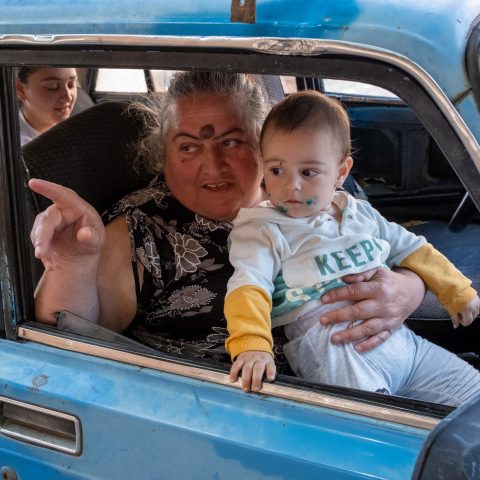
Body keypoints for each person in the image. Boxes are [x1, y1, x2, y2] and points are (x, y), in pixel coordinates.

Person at [29, 71, 426, 370]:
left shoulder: (299, 181)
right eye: (188, 147)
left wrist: (409, 290)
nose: (212, 165)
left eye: (230, 142)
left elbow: (397, 245)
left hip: (388, 364)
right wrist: (72, 265)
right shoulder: (143, 231)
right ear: (162, 154)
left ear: (261, 142)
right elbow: (70, 334)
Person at [225, 90, 480, 406]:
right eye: (277, 170)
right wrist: (251, 343)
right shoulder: (262, 228)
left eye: (308, 172)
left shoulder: (358, 211)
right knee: (376, 429)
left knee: (474, 395)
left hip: (401, 343)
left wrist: (455, 289)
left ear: (341, 172)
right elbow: (249, 286)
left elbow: (411, 248)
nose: (292, 186)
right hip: (332, 348)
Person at [16, 67, 78, 145]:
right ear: (21, 89)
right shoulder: (11, 149)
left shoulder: (81, 128)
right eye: (53, 86)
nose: (68, 97)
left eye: (71, 85)